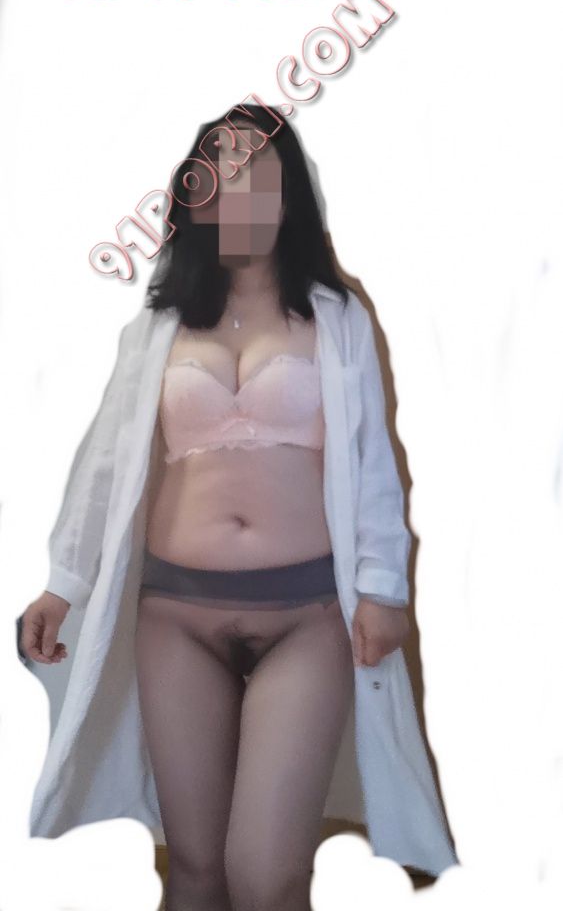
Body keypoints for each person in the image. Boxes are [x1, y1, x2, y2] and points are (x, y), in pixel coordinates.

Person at [20, 104, 458, 909]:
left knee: (266, 874)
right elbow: (106, 462)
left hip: (306, 616)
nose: (234, 191)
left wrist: (382, 587)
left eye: (255, 174)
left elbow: (372, 459)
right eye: (216, 175)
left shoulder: (336, 316)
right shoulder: (156, 327)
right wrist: (64, 583)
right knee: (193, 870)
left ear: (289, 199)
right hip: (175, 617)